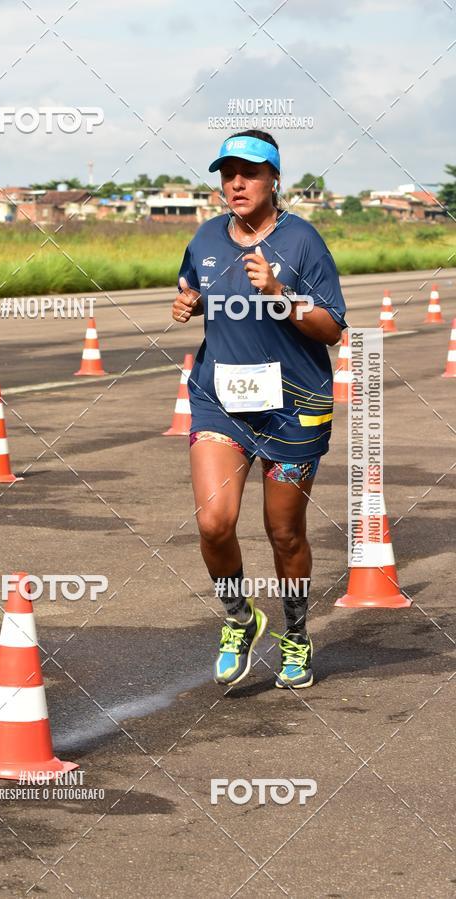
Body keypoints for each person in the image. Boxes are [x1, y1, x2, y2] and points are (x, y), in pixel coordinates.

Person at [172, 129, 347, 690]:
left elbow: (333, 328)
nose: (237, 183)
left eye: (249, 173)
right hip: (219, 400)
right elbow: (191, 283)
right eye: (228, 174)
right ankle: (239, 619)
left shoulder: (302, 242)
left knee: (284, 532)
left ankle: (295, 635)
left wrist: (279, 292)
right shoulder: (204, 238)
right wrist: (187, 300)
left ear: (275, 178)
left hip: (294, 407)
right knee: (213, 523)